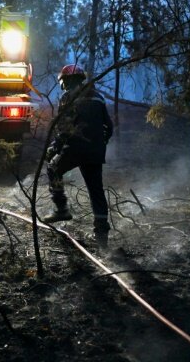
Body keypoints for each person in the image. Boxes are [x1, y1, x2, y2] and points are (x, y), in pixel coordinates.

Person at [43, 63, 113, 248]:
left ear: (67, 80)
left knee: (53, 168)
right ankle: (102, 238)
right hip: (95, 151)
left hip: (75, 148)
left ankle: (61, 209)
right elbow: (109, 127)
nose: (63, 86)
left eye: (63, 82)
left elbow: (65, 127)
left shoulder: (68, 98)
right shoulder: (98, 97)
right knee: (96, 192)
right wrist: (98, 145)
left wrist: (54, 148)